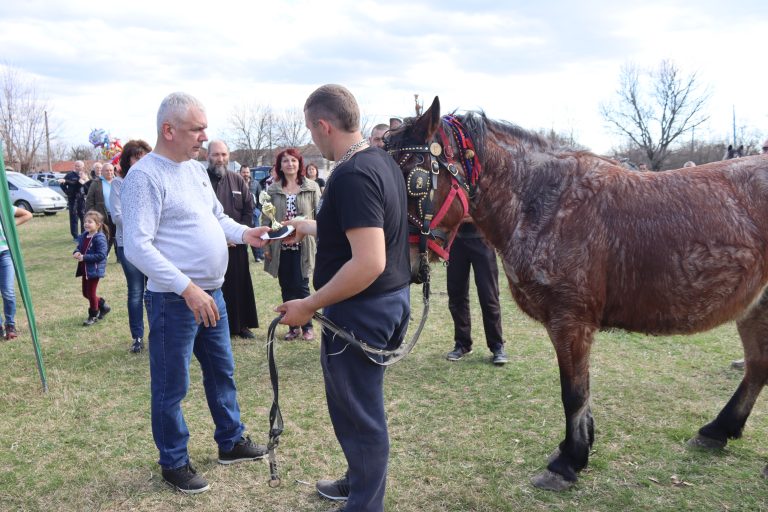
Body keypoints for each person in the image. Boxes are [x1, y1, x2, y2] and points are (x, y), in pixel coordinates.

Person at [121, 92, 271, 494]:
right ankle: (173, 460)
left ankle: (230, 441)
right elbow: (137, 245)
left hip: (212, 296)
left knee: (222, 371)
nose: (205, 137)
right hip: (175, 300)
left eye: (205, 128)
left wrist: (247, 234)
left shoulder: (192, 170)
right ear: (168, 130)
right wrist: (187, 289)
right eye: (197, 129)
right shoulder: (145, 176)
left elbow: (217, 218)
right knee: (172, 386)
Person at [276, 84, 411, 512]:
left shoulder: (352, 174)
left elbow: (368, 260)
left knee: (361, 414)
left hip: (362, 309)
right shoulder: (379, 161)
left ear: (323, 124)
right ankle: (358, 481)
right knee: (353, 408)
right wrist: (309, 225)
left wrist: (309, 304)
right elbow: (365, 229)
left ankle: (365, 504)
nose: (312, 142)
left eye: (311, 132)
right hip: (382, 302)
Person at [263, 147, 320, 341]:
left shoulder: (311, 187)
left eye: (293, 160)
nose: (290, 164)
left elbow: (319, 215)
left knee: (302, 285)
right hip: (281, 245)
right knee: (286, 286)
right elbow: (266, 220)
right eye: (285, 161)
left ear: (299, 164)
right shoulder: (272, 189)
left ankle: (308, 326)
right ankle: (293, 326)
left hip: (303, 245)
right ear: (280, 165)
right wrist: (267, 245)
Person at [206, 140, 260, 339]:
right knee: (217, 286)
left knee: (239, 284)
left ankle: (241, 325)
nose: (220, 159)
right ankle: (216, 325)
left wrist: (240, 234)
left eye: (224, 155)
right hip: (211, 246)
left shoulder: (237, 180)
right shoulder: (201, 181)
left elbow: (248, 210)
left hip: (237, 245)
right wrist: (220, 238)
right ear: (207, 156)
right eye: (216, 155)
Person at [445, 221, 509, 365]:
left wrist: (467, 215)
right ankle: (462, 344)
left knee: (489, 297)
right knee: (456, 296)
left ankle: (497, 346)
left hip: (482, 240)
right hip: (456, 241)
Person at [111, 139, 152, 353]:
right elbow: (117, 216)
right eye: (136, 157)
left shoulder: (152, 181)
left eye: (144, 156)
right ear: (127, 160)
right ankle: (137, 336)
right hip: (128, 244)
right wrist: (145, 221)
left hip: (152, 245)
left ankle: (157, 331)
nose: (141, 161)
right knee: (136, 291)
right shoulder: (119, 183)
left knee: (153, 290)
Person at [0, 206, 33, 340]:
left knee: (8, 291)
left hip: (4, 254)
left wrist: (9, 225)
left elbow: (27, 214)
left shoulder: (2, 205)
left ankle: (10, 325)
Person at [73, 210, 110, 326]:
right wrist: (77, 252)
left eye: (90, 222)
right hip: (85, 269)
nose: (86, 224)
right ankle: (103, 306)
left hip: (94, 270)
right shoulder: (84, 235)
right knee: (86, 293)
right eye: (85, 222)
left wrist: (85, 257)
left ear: (98, 225)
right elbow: (79, 247)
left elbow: (101, 255)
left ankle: (93, 315)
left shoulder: (99, 238)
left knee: (91, 293)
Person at [85, 162, 117, 257]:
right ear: (102, 172)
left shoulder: (118, 182)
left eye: (111, 170)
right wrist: (91, 215)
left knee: (117, 237)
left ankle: (119, 258)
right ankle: (102, 255)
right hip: (102, 215)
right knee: (105, 237)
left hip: (117, 215)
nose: (109, 172)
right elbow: (89, 200)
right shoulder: (96, 183)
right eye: (106, 170)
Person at [240, 165, 265, 263]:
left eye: (247, 172)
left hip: (254, 213)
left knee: (256, 234)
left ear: (249, 173)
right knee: (243, 234)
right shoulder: (237, 183)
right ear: (240, 172)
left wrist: (258, 211)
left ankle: (258, 256)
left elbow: (261, 199)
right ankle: (243, 256)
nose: (245, 174)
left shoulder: (256, 184)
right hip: (241, 214)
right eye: (243, 172)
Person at [62, 160, 85, 241]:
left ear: (83, 167)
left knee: (83, 217)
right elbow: (62, 184)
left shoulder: (84, 175)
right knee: (74, 218)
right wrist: (67, 192)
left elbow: (85, 185)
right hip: (73, 199)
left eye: (80, 166)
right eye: (76, 166)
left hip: (81, 199)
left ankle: (83, 235)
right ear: (74, 166)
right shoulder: (69, 175)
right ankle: (75, 236)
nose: (78, 167)